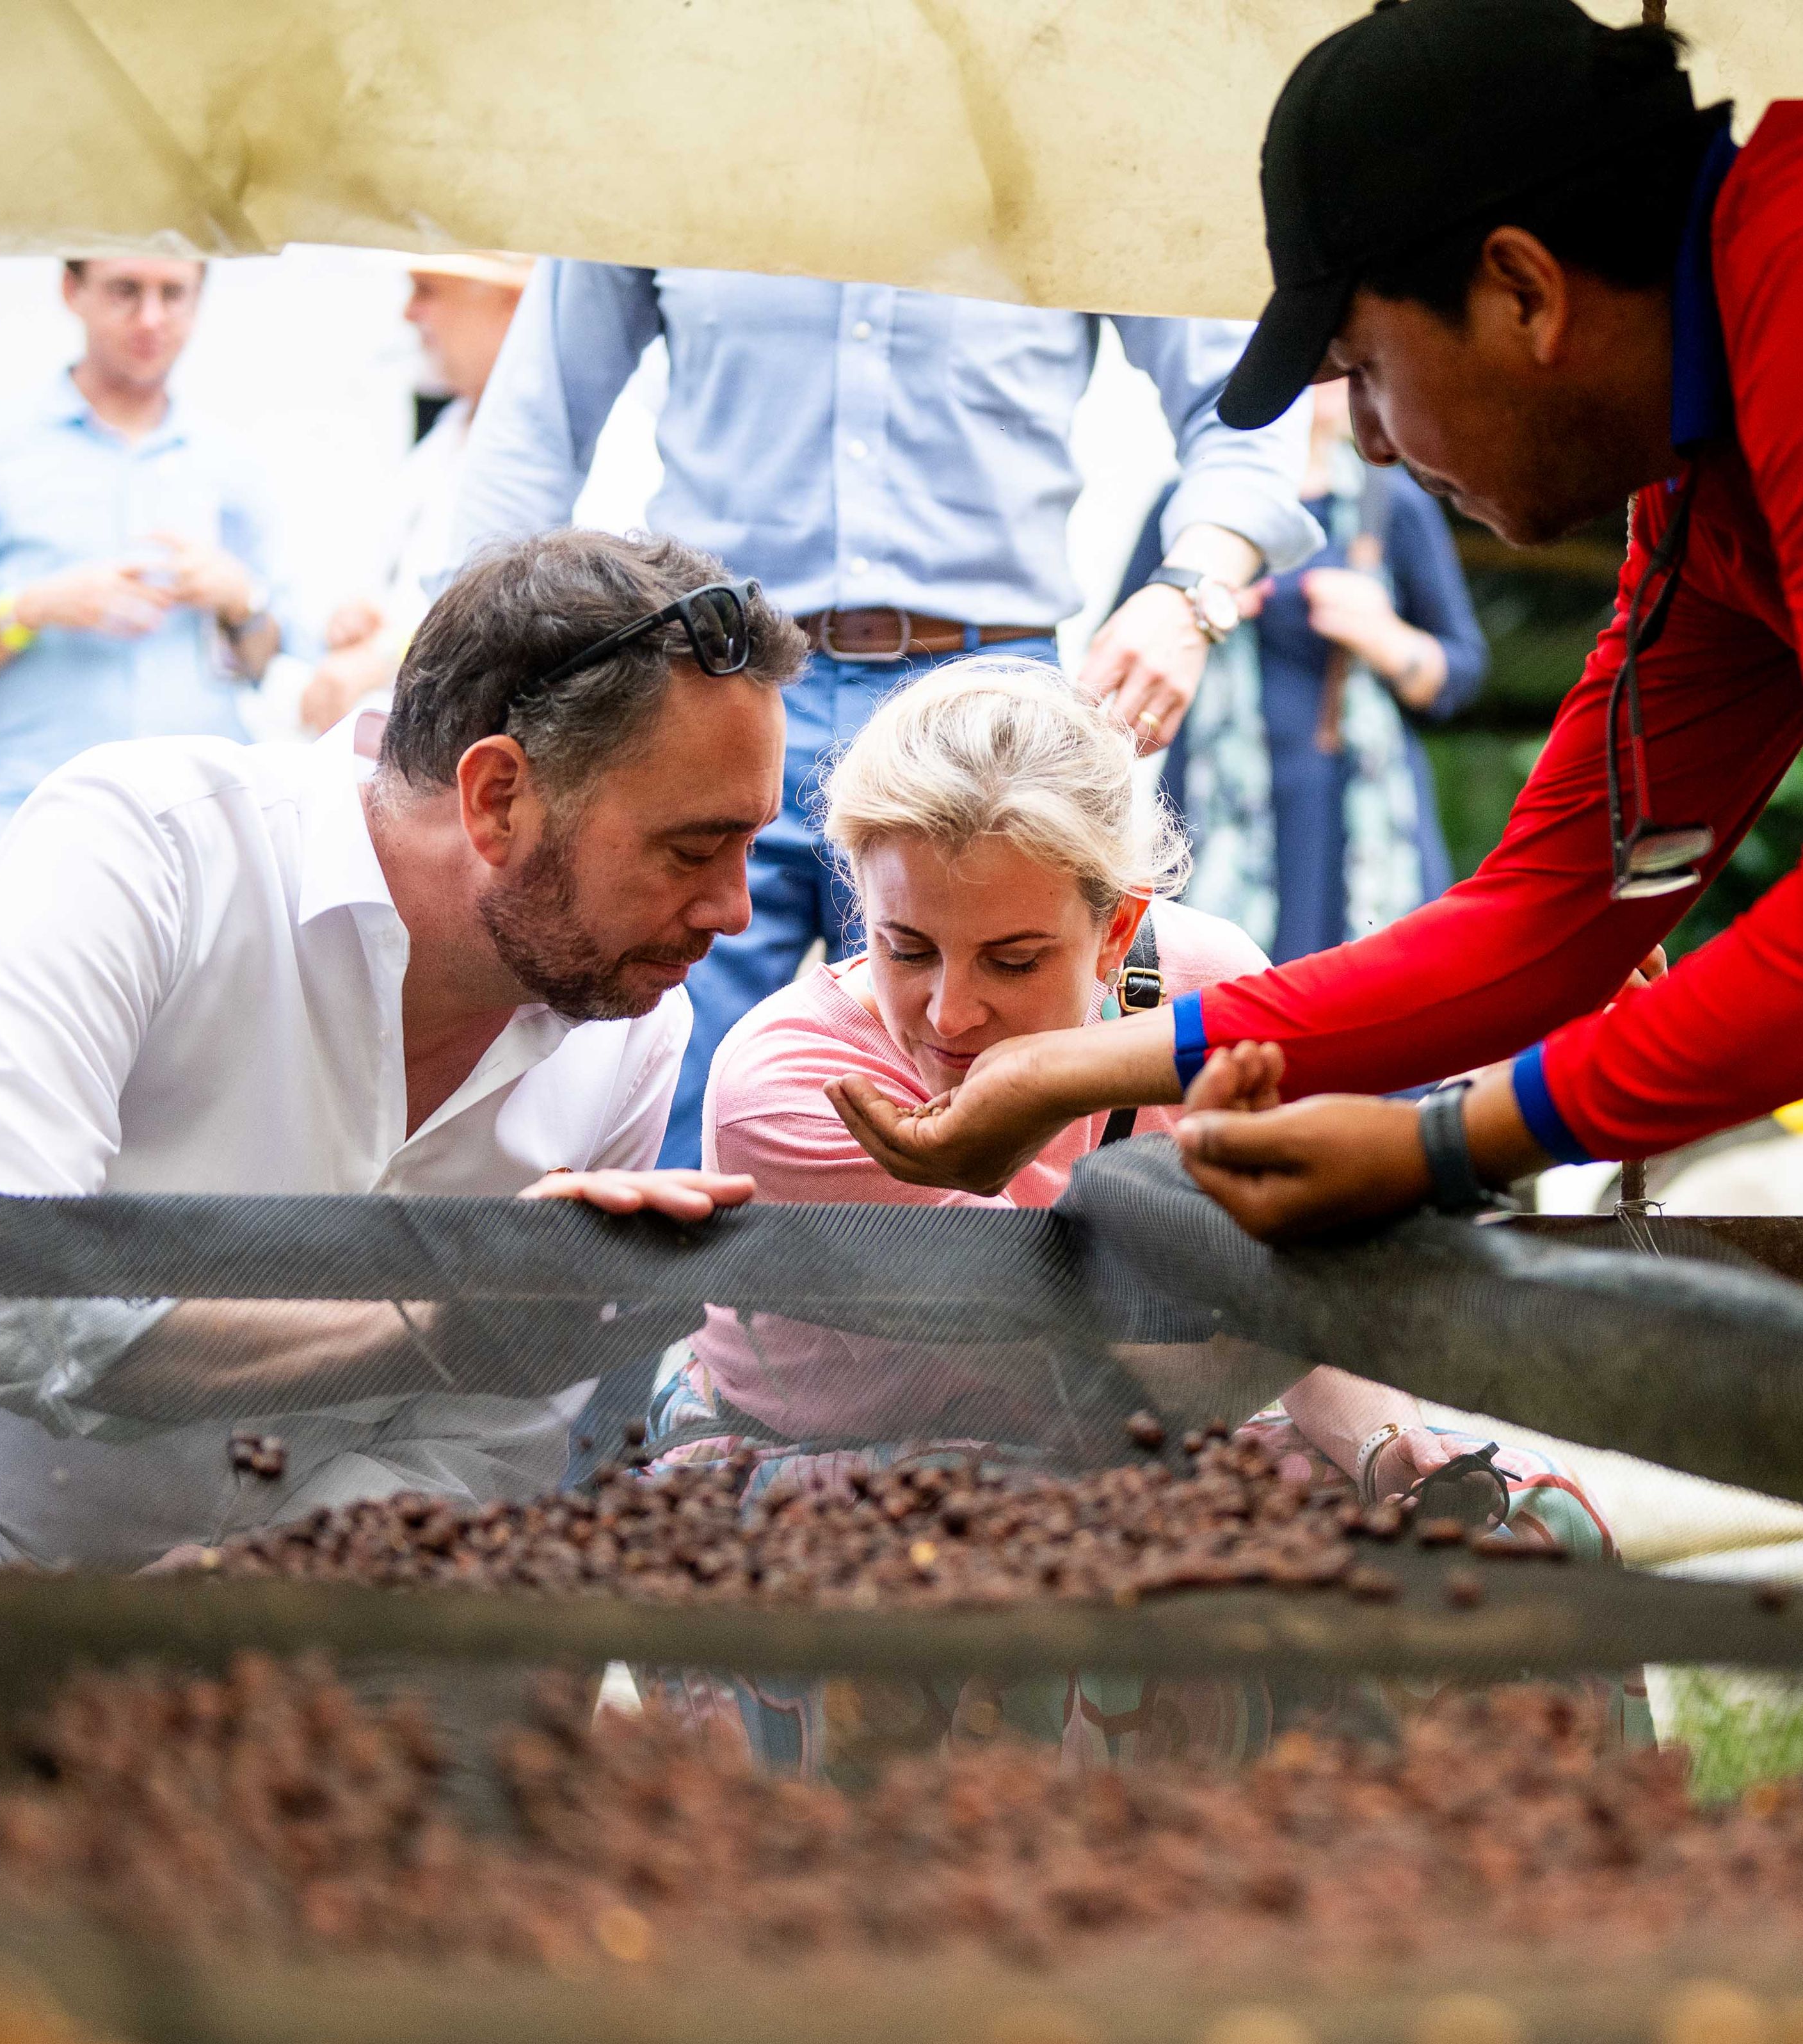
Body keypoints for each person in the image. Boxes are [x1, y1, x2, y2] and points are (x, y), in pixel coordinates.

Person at [826, 0, 1803, 1252]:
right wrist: (1069, 1067)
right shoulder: (1696, 488)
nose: (1369, 445)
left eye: (1365, 373)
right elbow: (1546, 919)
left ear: (1520, 292)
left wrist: (1446, 1140)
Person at [0, 532, 805, 1568]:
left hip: (235, 1639)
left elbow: (466, 1458)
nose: (735, 911)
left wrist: (232, 1606)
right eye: (693, 848)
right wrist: (429, 1321)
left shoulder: (633, 1022)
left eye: (750, 844)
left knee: (506, 1628)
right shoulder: (144, 846)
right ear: (497, 797)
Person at [643, 659, 1600, 1769]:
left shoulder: (1203, 984)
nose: (951, 1012)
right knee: (1034, 1569)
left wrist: (1394, 1449)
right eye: (907, 949)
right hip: (849, 1475)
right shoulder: (794, 1083)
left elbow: (1274, 1284)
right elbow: (1150, 1373)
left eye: (1014, 958)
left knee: (1532, 1526)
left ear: (1117, 929)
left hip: (1140, 1435)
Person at [440, 262, 1322, 1165]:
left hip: (991, 694)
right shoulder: (669, 146)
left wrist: (1188, 590)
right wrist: (461, 696)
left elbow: (1244, 387)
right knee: (666, 1088)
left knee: (1037, 1078)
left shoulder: (1070, 147)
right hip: (722, 689)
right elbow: (536, 422)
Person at [0, 258, 291, 878]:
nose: (151, 317)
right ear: (72, 289)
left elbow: (278, 667)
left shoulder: (232, 465)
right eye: (126, 290)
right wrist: (27, 611)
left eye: (173, 293)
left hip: (207, 852)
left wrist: (242, 602)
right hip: (36, 846)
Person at [1114, 377, 1488, 962]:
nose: (1335, 378)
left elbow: (1458, 675)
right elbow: (1124, 653)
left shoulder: (1393, 507)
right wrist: (1199, 613)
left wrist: (1382, 634)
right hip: (1214, 805)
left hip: (1352, 811)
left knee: (1367, 996)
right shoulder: (1187, 508)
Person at [300, 253, 533, 737]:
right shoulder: (447, 437)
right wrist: (359, 621)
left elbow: (545, 623)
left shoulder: (605, 449)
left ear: (511, 307)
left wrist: (388, 655)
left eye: (427, 289)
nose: (410, 313)